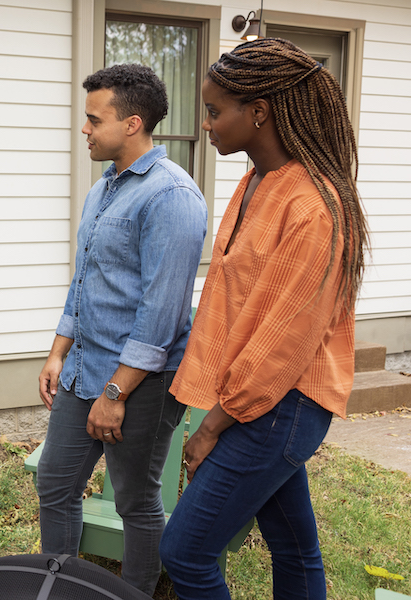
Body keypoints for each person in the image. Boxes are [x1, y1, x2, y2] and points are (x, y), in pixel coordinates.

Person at [158, 38, 369, 600]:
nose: (205, 124)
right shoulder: (257, 182)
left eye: (213, 111)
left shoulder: (313, 207)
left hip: (280, 405)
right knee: (294, 548)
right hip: (257, 401)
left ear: (259, 112)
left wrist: (210, 428)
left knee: (185, 551)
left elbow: (283, 345)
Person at [36, 64, 207, 596]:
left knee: (136, 499)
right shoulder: (104, 189)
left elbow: (163, 315)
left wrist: (116, 392)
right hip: (83, 367)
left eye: (93, 119)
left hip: (141, 383)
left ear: (132, 123)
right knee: (55, 482)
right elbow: (85, 279)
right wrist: (58, 351)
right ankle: (58, 586)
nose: (84, 130)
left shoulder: (172, 197)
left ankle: (135, 591)